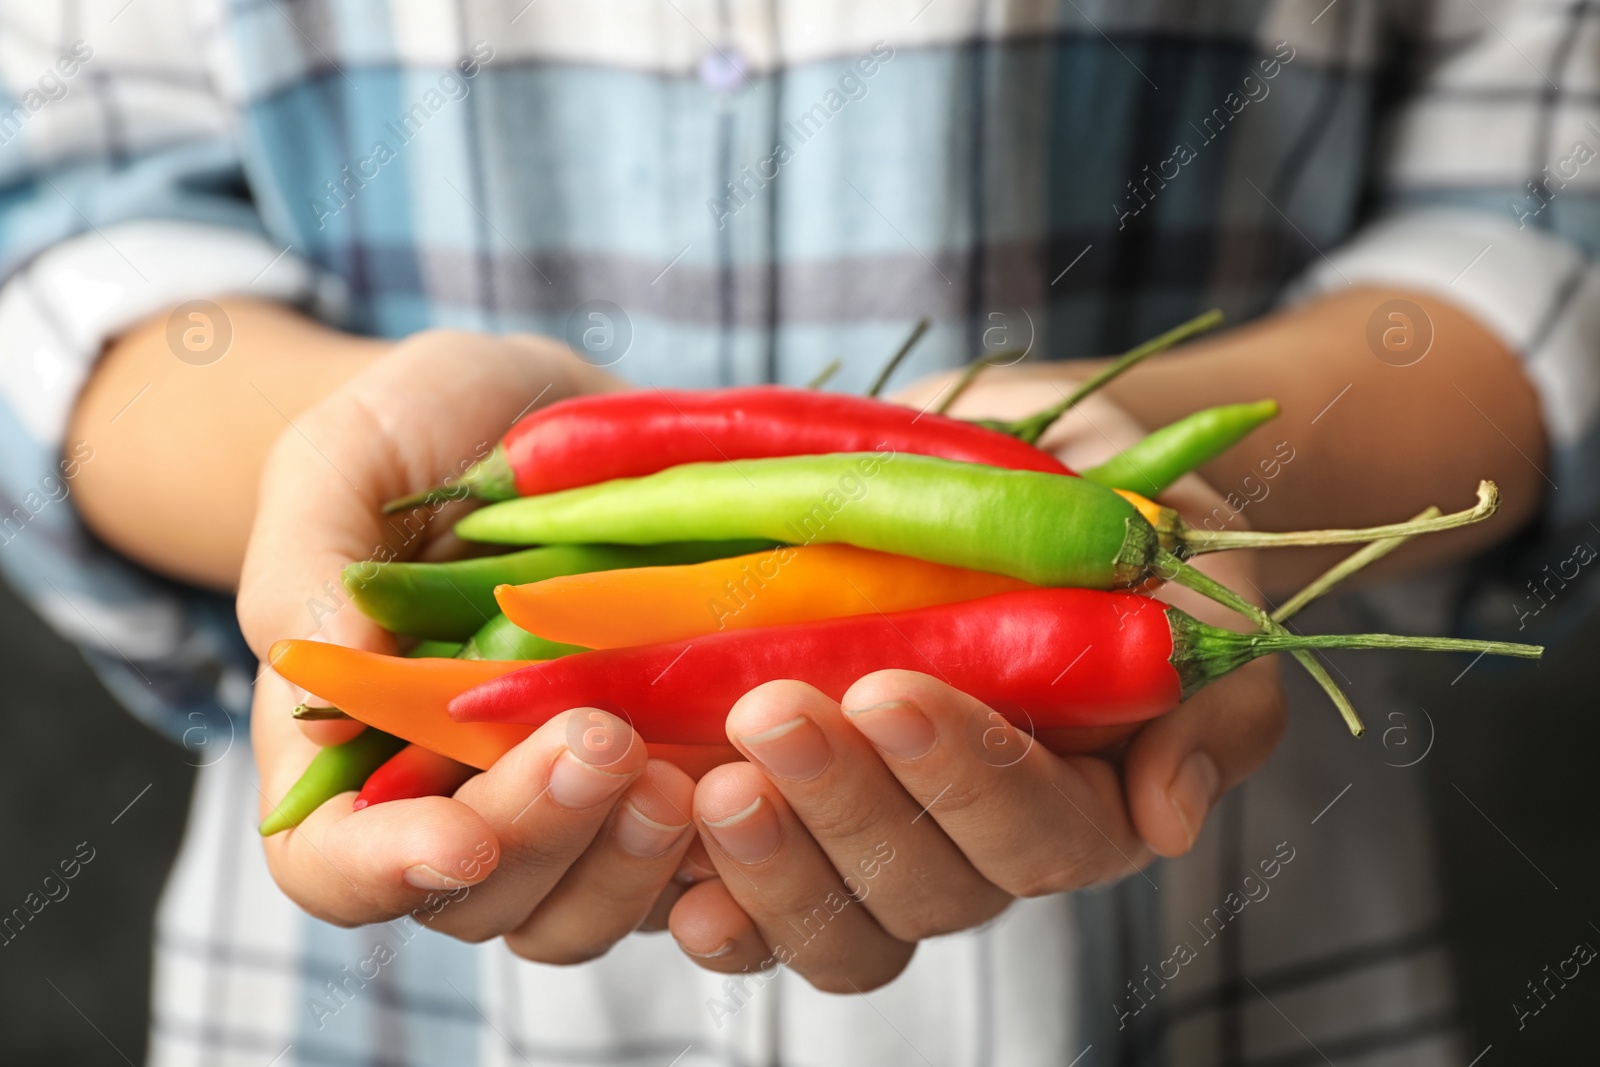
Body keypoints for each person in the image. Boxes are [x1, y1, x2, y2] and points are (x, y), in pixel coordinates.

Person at [0, 2, 1586, 1064]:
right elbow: (58, 238)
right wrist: (323, 467)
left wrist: (1252, 489)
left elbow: (1549, 220)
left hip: (1206, 974)